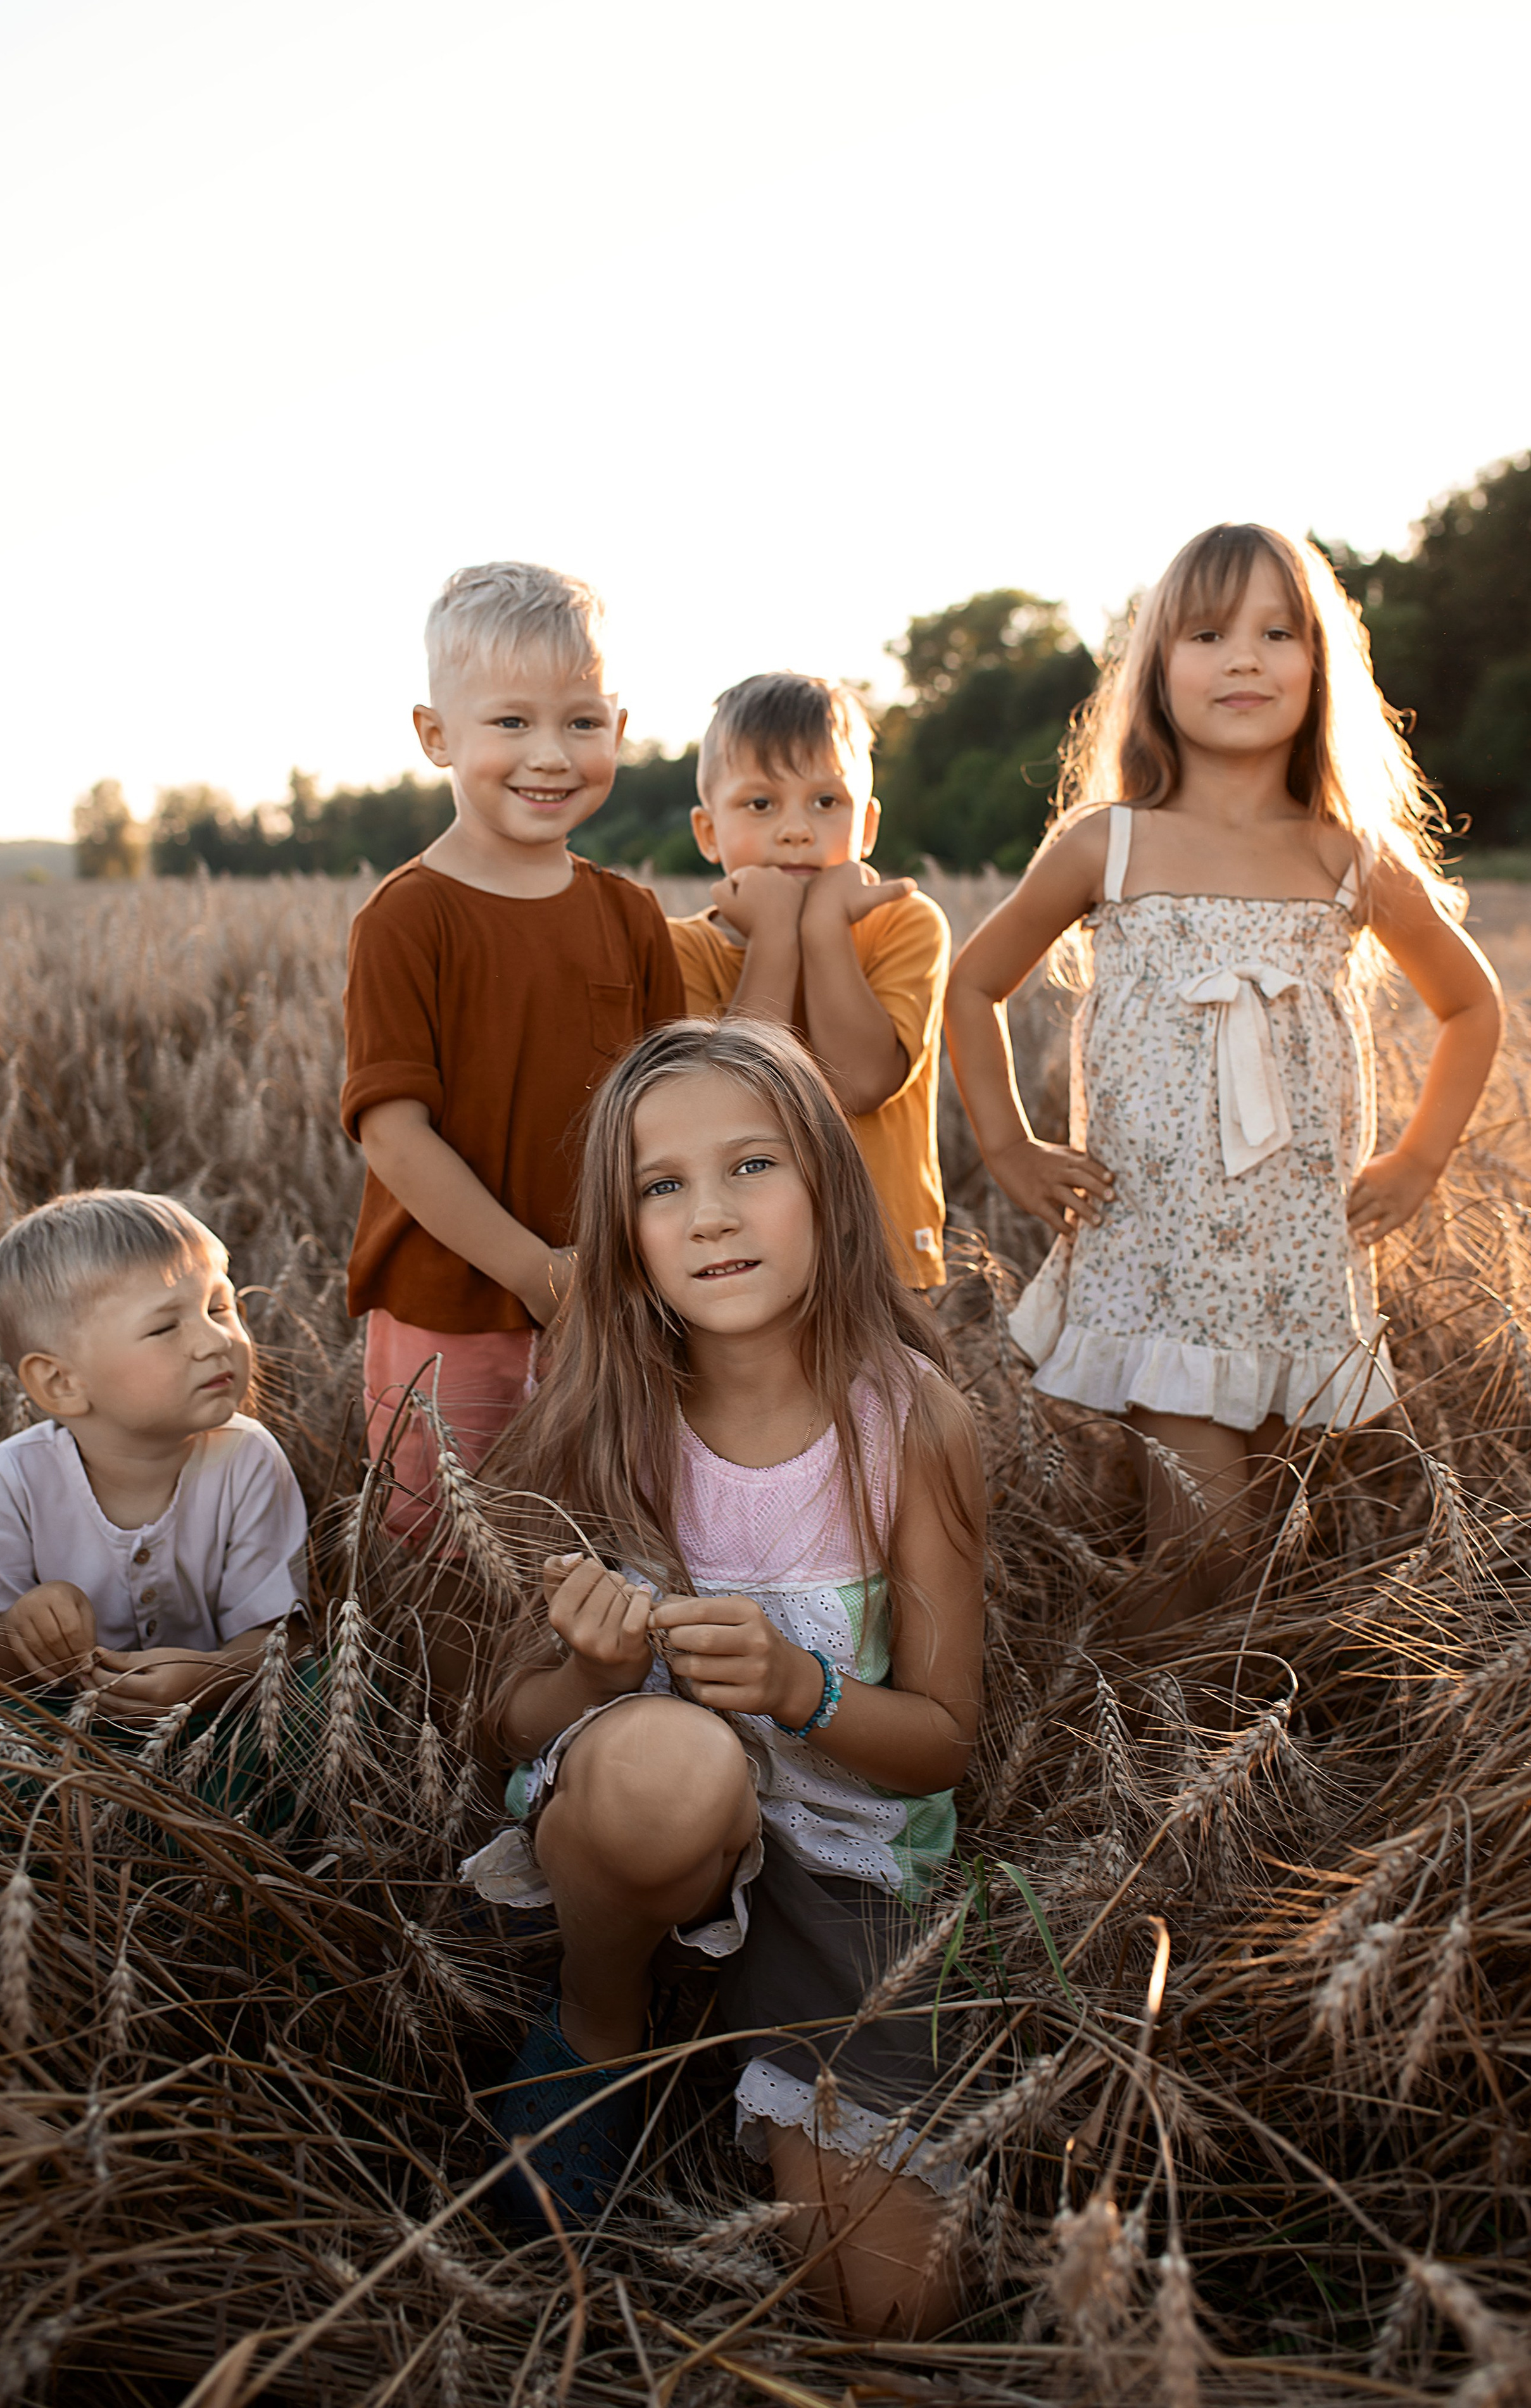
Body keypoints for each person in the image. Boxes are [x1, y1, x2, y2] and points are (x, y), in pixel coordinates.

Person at [465, 1019, 986, 2338]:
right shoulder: (598, 1415)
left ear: (827, 1180)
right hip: (646, 1821)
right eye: (662, 1185)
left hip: (840, 1861)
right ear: (624, 1232)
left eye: (752, 1165)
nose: (710, 1215)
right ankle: (599, 2024)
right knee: (670, 1759)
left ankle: (765, 2027)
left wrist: (804, 1690)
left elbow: (942, 1740)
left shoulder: (910, 1422)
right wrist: (596, 1675)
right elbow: (503, 1727)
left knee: (896, 2309)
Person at [945, 523, 1503, 1627]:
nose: (1244, 657)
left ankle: (1180, 1705)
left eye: (1277, 632)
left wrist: (1419, 1159)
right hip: (1156, 1252)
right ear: (1157, 667)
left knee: (1262, 1556)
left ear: (1320, 665)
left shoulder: (1347, 854)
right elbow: (972, 986)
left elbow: (1472, 1004)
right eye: (1207, 634)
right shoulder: (1109, 843)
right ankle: (1113, 1709)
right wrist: (1007, 1145)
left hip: (1293, 1261)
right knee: (1211, 1543)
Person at [342, 562, 685, 1544]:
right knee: (448, 1553)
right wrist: (538, 1272)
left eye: (582, 722)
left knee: (607, 1537)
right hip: (449, 1304)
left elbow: (673, 1111)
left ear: (619, 727)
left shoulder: (631, 915)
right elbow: (394, 1133)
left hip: (618, 1300)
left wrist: (621, 1273)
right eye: (510, 721)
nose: (551, 754)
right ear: (435, 735)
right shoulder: (409, 917)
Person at [0, 1190, 308, 1719]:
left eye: (219, 1307)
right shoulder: (13, 1479)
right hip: (55, 1742)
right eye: (165, 1326)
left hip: (217, 1729)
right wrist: (23, 1628)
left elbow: (284, 1642)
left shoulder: (248, 1459)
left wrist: (212, 1677)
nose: (215, 1341)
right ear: (61, 1382)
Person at [668, 674, 950, 1293]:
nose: (796, 829)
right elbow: (730, 1105)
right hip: (738, 1265)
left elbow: (859, 1082)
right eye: (760, 804)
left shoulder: (907, 924)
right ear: (709, 832)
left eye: (826, 801)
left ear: (866, 825)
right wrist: (775, 937)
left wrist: (822, 929)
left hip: (883, 1263)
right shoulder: (682, 948)